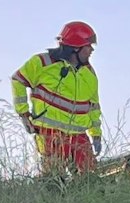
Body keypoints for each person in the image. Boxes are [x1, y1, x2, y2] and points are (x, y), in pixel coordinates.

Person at [11, 22, 102, 176]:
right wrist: (24, 114)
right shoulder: (42, 62)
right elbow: (18, 80)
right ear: (76, 47)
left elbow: (94, 107)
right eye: (88, 46)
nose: (92, 50)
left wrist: (96, 134)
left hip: (79, 137)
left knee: (90, 180)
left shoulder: (90, 75)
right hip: (49, 133)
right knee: (54, 179)